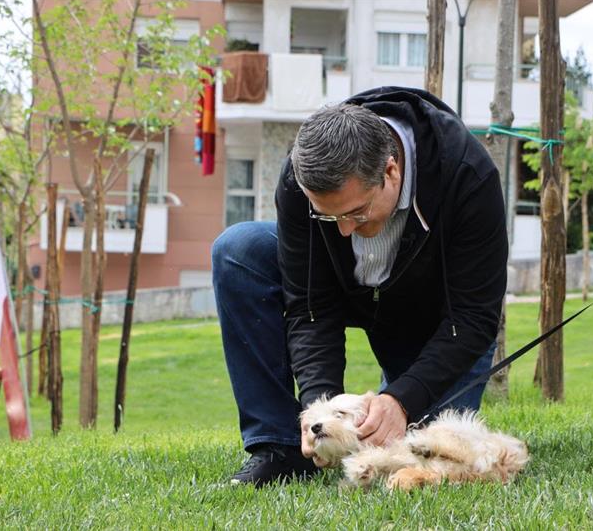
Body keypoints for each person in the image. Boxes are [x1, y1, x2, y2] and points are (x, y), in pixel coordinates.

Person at [212, 86, 508, 487]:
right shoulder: (303, 180)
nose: (347, 231)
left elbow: (473, 317)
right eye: (329, 219)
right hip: (349, 291)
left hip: (437, 320)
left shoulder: (467, 175)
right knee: (238, 250)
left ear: (391, 171)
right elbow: (309, 305)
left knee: (432, 454)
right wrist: (320, 409)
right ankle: (280, 448)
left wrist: (402, 398)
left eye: (357, 212)